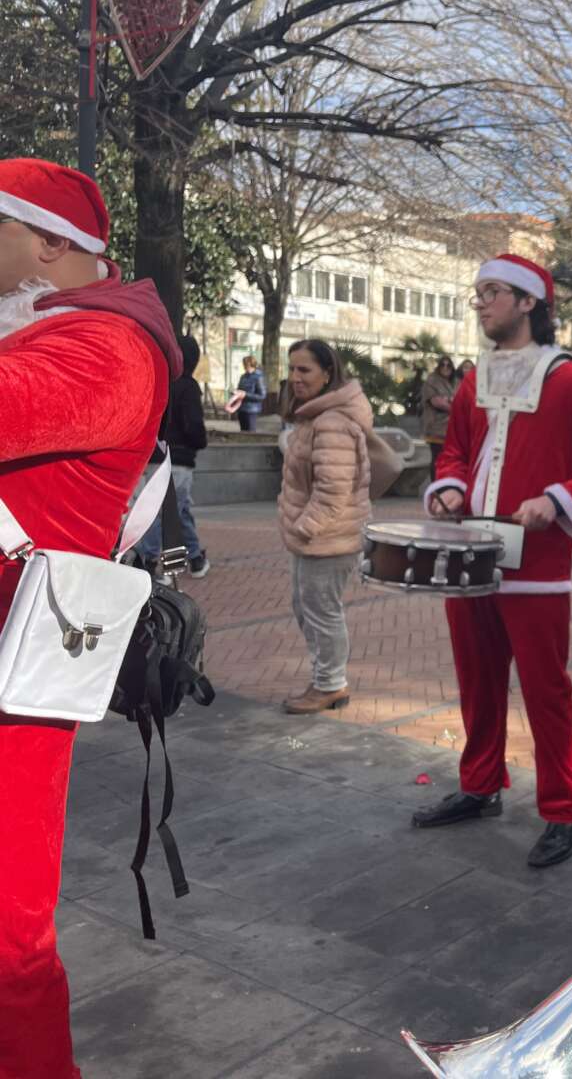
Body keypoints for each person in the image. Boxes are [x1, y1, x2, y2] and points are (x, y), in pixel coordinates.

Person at [0, 157, 179, 1079]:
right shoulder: (39, 332)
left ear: (46, 243)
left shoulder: (101, 346)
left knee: (7, 940)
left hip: (15, 680)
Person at [414, 253, 572, 868]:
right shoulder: (474, 381)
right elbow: (454, 450)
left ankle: (564, 810)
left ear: (530, 302)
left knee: (545, 691)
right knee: (478, 684)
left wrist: (556, 500)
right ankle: (481, 786)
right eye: (478, 293)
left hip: (537, 567)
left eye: (492, 292)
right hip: (471, 558)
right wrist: (448, 486)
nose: (480, 302)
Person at [278, 338, 372, 715]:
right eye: (292, 369)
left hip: (329, 537)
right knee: (307, 606)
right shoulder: (314, 415)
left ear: (327, 373)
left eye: (305, 370)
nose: (296, 378)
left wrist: (303, 527)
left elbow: (333, 490)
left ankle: (330, 685)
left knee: (321, 609)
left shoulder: (331, 421)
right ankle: (326, 679)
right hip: (317, 536)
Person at [138, 334, 209, 577]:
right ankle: (147, 561)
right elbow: (193, 425)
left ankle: (196, 557)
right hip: (178, 459)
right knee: (168, 512)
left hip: (156, 456)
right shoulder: (187, 387)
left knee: (178, 509)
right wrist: (200, 441)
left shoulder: (159, 382)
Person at [421, 354, 457, 481]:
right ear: (438, 367)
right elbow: (437, 402)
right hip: (436, 427)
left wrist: (451, 401)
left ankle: (443, 485)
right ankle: (435, 486)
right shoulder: (432, 381)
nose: (446, 368)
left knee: (448, 460)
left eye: (449, 365)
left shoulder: (453, 382)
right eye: (443, 365)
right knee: (437, 458)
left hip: (450, 429)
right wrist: (455, 407)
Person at [236, 354, 265, 431]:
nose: (245, 367)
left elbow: (262, 396)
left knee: (250, 433)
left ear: (252, 364)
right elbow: (240, 389)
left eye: (246, 365)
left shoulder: (258, 377)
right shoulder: (243, 376)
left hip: (252, 410)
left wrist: (245, 395)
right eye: (244, 364)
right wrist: (236, 393)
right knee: (243, 432)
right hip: (241, 409)